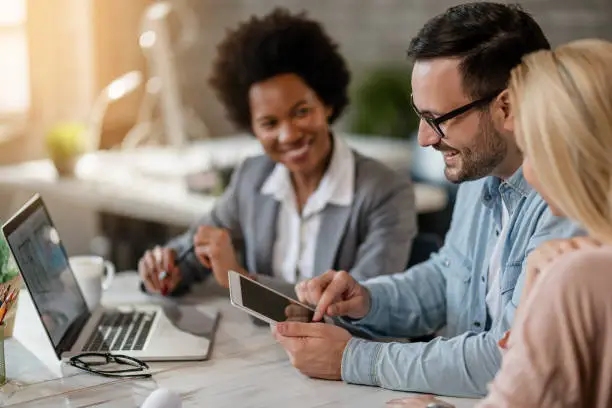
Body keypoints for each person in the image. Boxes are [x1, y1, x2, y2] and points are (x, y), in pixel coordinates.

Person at [272, 2, 583, 397]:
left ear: (506, 106)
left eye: (439, 119)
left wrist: (354, 359)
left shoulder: (570, 202)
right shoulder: (480, 170)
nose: (424, 137)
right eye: (420, 115)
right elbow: (448, 276)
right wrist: (369, 301)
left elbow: (513, 358)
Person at [385, 38, 612, 408]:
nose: (529, 172)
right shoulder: (573, 262)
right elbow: (450, 273)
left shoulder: (578, 272)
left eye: (533, 146)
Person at [137, 8, 416, 298]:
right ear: (252, 128)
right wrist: (164, 268)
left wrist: (239, 281)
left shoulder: (386, 192)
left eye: (301, 112)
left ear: (327, 104)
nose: (289, 135)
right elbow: (191, 253)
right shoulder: (252, 178)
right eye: (269, 123)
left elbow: (365, 309)